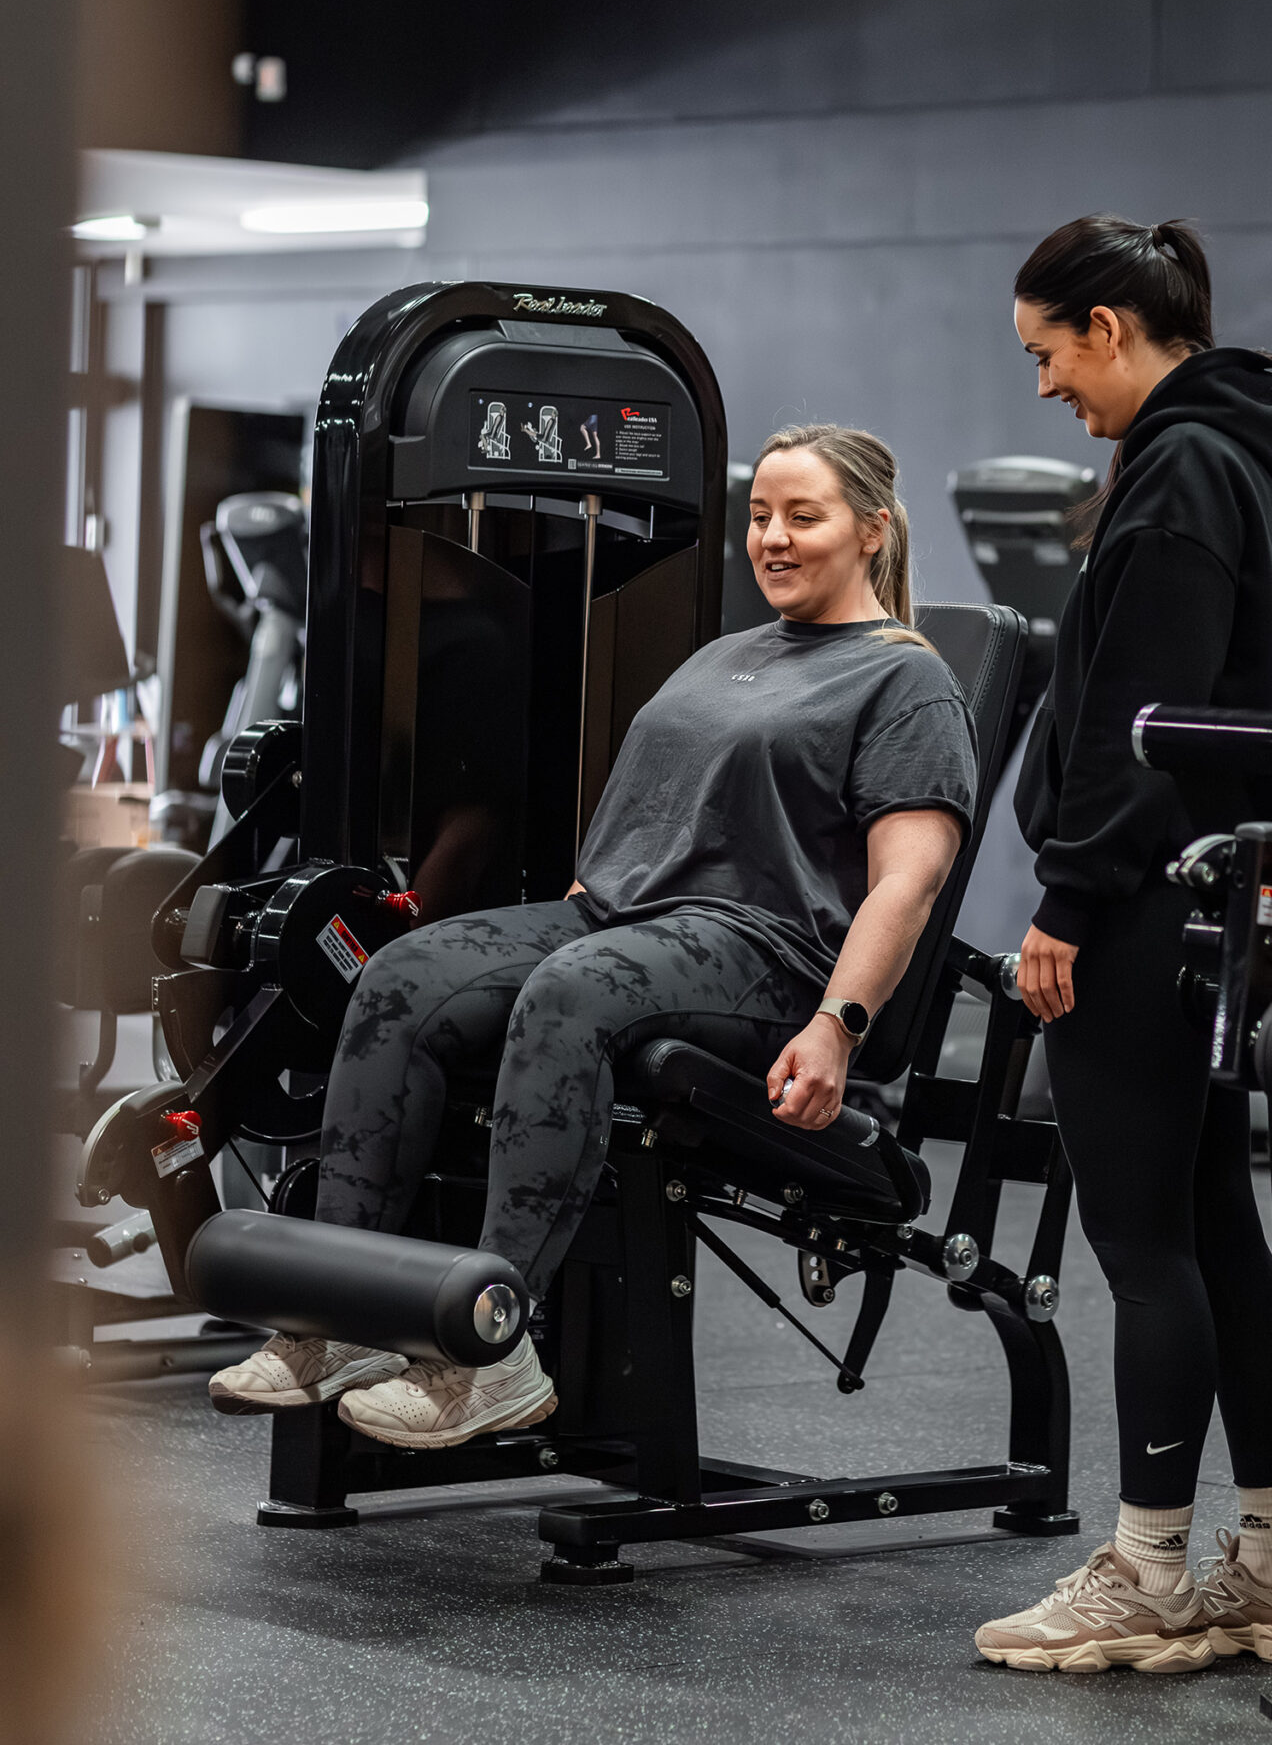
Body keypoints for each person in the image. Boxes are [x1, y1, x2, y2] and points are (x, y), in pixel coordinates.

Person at [208, 425, 975, 1450]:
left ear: (873, 529)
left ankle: (493, 1348)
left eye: (805, 517)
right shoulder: (729, 654)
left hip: (766, 951)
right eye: (760, 517)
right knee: (401, 977)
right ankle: (342, 1317)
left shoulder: (903, 680)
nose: (774, 540)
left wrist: (839, 1026)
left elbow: (909, 879)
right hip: (621, 918)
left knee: (572, 991)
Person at [974, 215, 1272, 1677]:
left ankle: (1151, 1569)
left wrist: (1063, 898)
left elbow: (1142, 717)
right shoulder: (1242, 456)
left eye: (1049, 355)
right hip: (1216, 893)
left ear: (1107, 329)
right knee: (1217, 1232)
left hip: (1141, 902)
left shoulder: (1179, 471)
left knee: (1144, 1243)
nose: (1048, 388)